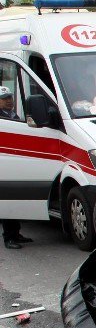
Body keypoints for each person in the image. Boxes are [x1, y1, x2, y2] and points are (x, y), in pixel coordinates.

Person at [1, 86, 32, 249]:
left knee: (15, 199)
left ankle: (16, 233)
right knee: (8, 202)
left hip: (15, 162)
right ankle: (9, 238)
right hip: (5, 164)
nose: (9, 101)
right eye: (4, 98)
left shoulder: (12, 115)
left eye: (10, 98)